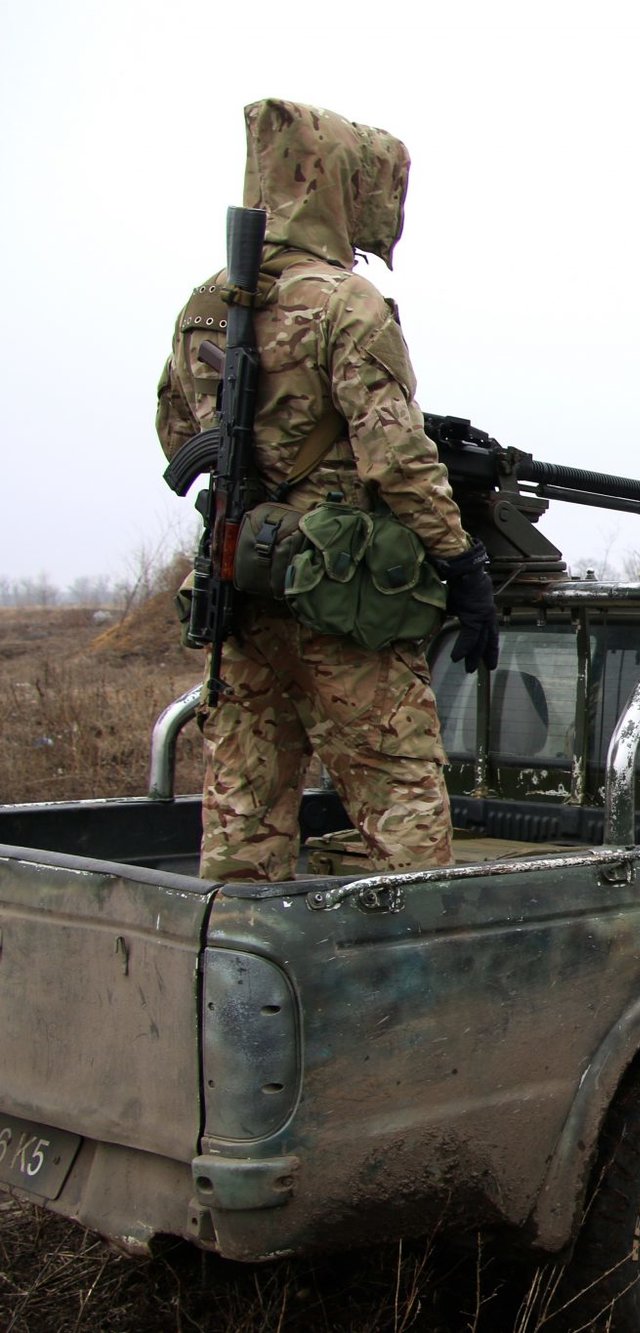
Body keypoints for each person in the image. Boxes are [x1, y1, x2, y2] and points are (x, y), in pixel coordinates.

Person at [157, 99, 499, 882]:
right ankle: (420, 994)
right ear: (340, 185)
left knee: (242, 827)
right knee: (405, 829)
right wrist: (462, 563)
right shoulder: (347, 303)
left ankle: (239, 997)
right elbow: (398, 460)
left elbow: (177, 435)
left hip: (242, 592)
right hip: (341, 607)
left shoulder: (204, 305)